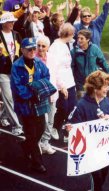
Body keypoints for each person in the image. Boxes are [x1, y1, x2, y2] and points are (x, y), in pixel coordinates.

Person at [67, 71, 109, 191]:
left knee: (103, 176)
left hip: (105, 148)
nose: (108, 89)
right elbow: (70, 123)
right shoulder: (82, 105)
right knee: (97, 178)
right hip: (91, 150)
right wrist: (69, 128)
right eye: (105, 86)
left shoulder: (107, 102)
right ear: (95, 88)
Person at [10, 37, 56, 173]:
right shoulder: (16, 66)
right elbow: (17, 88)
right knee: (31, 133)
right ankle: (37, 163)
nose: (32, 51)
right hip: (25, 105)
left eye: (33, 48)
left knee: (41, 128)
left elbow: (46, 76)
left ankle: (26, 145)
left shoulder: (38, 63)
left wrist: (37, 88)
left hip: (38, 102)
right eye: (29, 49)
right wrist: (33, 92)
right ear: (22, 50)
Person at [48, 22, 77, 142]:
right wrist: (61, 86)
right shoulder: (55, 47)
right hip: (61, 84)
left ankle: (67, 132)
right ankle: (55, 127)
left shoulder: (65, 45)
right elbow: (54, 68)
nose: (73, 37)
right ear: (68, 34)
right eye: (72, 34)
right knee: (63, 109)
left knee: (72, 108)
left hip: (70, 82)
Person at [0, 12, 23, 136]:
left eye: (13, 21)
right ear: (3, 23)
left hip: (15, 71)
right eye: (10, 22)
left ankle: (2, 116)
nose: (13, 23)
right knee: (9, 98)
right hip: (2, 72)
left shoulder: (16, 34)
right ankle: (17, 126)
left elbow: (21, 51)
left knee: (12, 97)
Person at [71, 29, 109, 98]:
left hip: (94, 83)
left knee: (95, 103)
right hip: (80, 84)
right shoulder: (74, 51)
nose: (79, 40)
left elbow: (102, 61)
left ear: (88, 39)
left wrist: (108, 74)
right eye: (78, 38)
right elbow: (71, 67)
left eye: (82, 38)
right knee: (82, 104)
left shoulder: (94, 48)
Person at [35, 35, 58, 154]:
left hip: (52, 94)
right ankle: (37, 143)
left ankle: (45, 142)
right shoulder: (33, 59)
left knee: (50, 119)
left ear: (48, 47)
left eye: (43, 46)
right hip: (39, 96)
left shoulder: (52, 58)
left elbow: (56, 75)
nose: (40, 48)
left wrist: (62, 86)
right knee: (40, 121)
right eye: (38, 45)